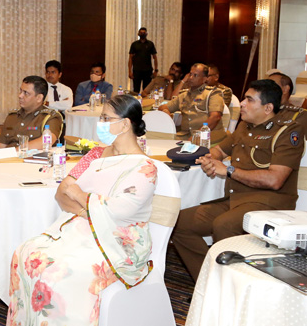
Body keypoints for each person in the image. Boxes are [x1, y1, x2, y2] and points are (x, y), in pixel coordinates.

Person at [7, 95, 157, 325]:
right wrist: (89, 209)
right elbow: (61, 192)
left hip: (117, 240)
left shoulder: (144, 167)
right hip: (78, 228)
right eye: (101, 117)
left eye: (106, 118)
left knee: (57, 270)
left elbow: (118, 212)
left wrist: (78, 194)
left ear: (126, 124)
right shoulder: (96, 154)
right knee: (25, 252)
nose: (101, 123)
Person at [172, 80, 304, 281]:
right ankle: (209, 281)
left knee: (224, 225)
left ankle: (234, 285)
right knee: (179, 223)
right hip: (235, 200)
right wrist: (210, 160)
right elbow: (219, 150)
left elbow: (275, 180)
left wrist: (229, 170)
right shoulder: (244, 126)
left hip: (268, 203)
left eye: (249, 100)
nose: (241, 103)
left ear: (268, 108)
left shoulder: (287, 132)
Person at [159, 63, 226, 145]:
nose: (190, 78)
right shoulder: (184, 95)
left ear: (205, 78)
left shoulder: (213, 93)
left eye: (195, 75)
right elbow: (163, 107)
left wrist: (196, 136)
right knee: (159, 140)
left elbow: (215, 117)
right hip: (185, 135)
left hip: (207, 136)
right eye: (190, 74)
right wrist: (166, 111)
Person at [0, 76, 63, 149]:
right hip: (8, 158)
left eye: (26, 93)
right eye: (20, 91)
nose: (20, 95)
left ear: (39, 98)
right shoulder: (12, 117)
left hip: (31, 159)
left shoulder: (50, 118)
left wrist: (13, 152)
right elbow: (0, 147)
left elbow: (46, 141)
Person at [128, 27, 158, 93]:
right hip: (137, 71)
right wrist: (130, 71)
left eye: (144, 33)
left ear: (146, 34)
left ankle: (146, 103)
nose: (142, 34)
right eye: (141, 33)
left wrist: (156, 70)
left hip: (148, 71)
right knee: (136, 90)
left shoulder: (150, 44)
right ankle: (136, 103)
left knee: (146, 91)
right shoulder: (134, 44)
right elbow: (130, 58)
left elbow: (155, 57)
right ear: (138, 34)